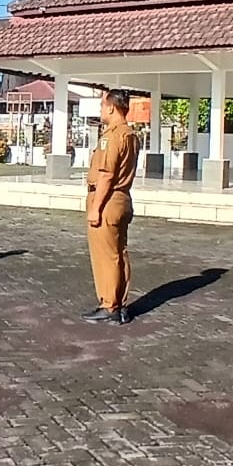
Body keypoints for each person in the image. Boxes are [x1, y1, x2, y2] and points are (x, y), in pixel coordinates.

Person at [82, 90, 140, 325]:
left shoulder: (112, 136)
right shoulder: (131, 135)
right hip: (122, 198)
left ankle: (109, 305)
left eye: (102, 105)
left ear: (111, 107)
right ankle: (120, 304)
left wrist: (95, 207)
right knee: (119, 253)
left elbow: (106, 175)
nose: (100, 110)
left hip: (107, 199)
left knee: (105, 256)